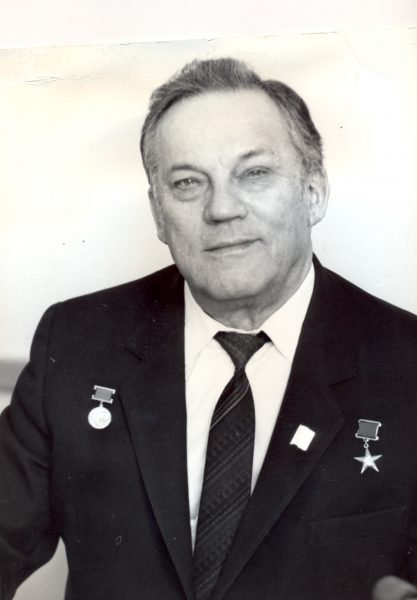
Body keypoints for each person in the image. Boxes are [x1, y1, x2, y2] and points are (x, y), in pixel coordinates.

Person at [1, 57, 417, 600]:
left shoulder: (406, 362)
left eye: (254, 173)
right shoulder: (78, 341)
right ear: (158, 213)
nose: (222, 208)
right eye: (187, 183)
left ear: (313, 190)